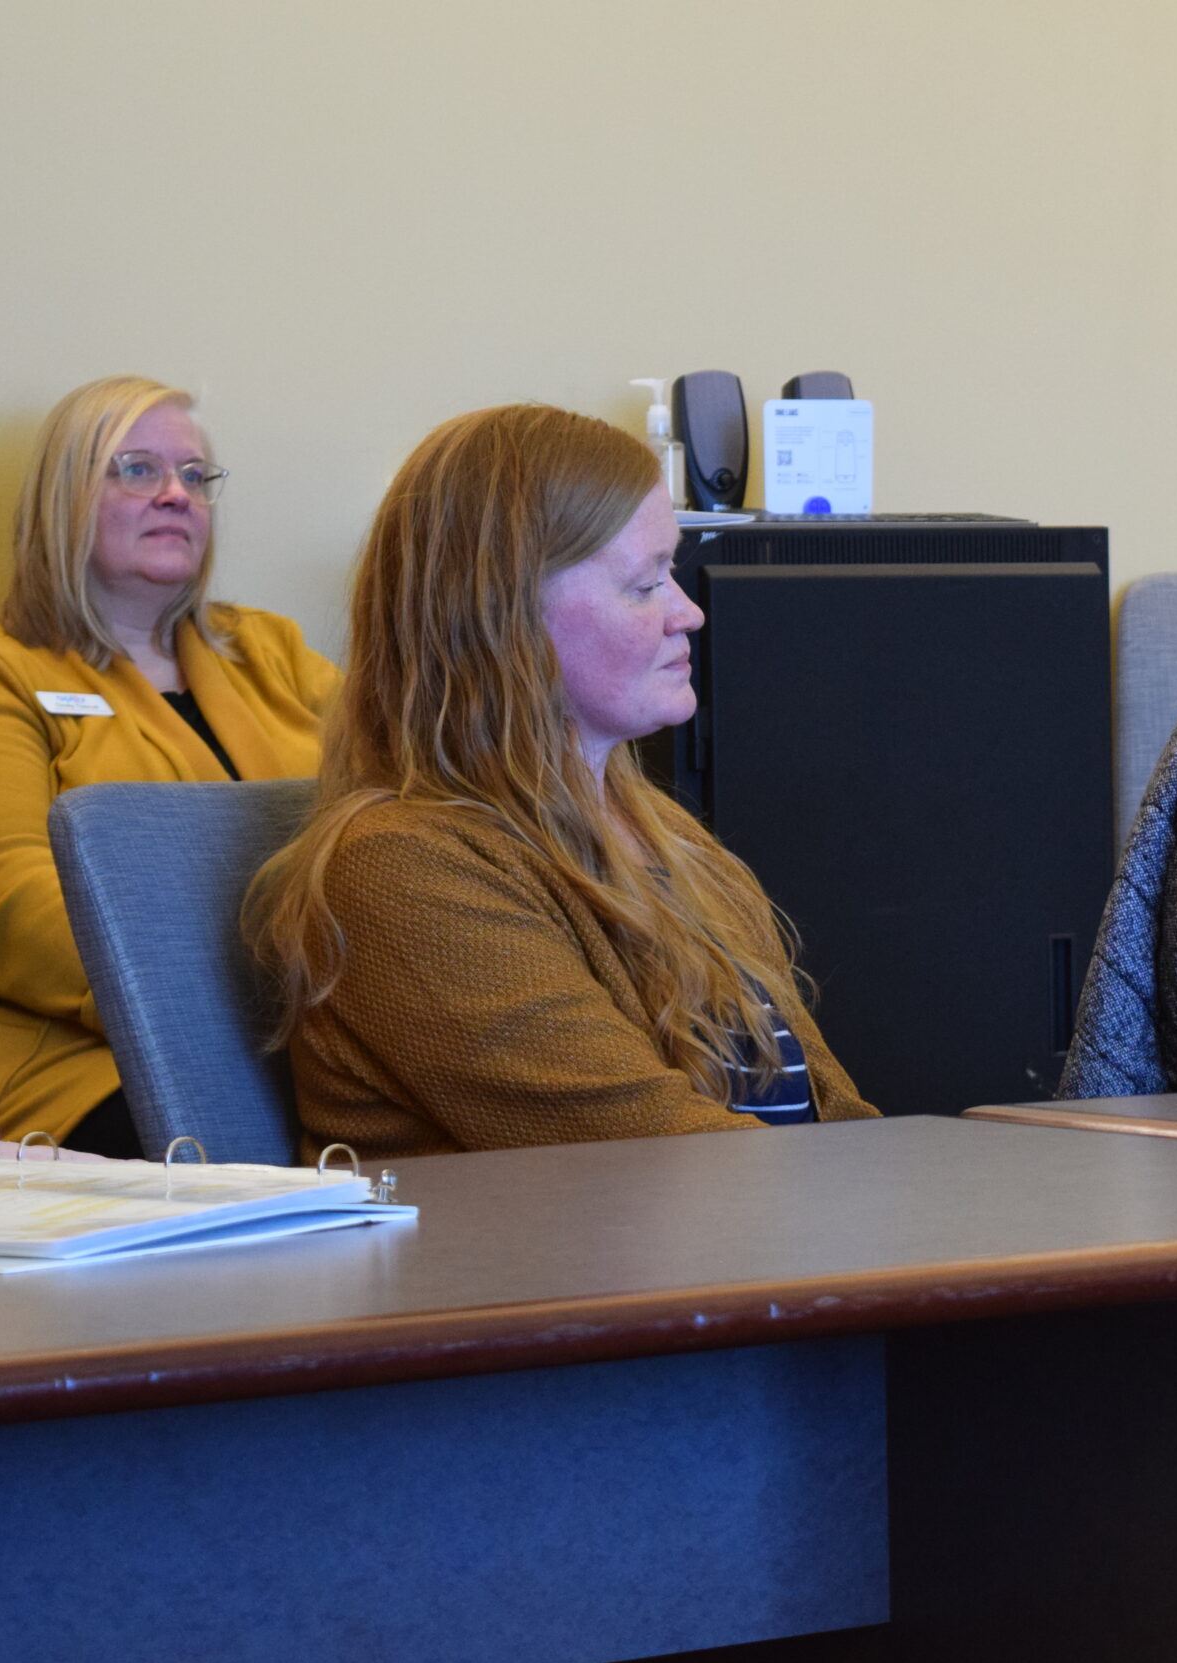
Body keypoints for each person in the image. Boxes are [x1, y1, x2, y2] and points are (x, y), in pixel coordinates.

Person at [246, 403, 874, 1157]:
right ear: (504, 620)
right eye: (645, 585)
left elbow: (832, 1118)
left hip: (749, 1256)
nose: (689, 612)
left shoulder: (661, 834)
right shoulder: (399, 871)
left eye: (671, 571)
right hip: (569, 1270)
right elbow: (657, 1160)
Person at [0, 377, 339, 1157]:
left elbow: (398, 808)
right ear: (63, 496)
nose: (177, 494)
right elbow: (2, 898)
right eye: (138, 469)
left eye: (195, 476)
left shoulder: (274, 651)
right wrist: (225, 992)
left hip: (313, 1028)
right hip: (91, 1061)